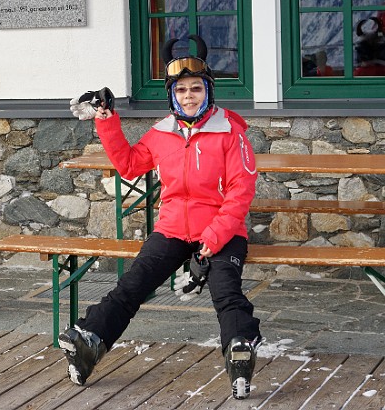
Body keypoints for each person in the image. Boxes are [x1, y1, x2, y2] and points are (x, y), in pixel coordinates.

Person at [64, 35, 262, 399]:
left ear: (208, 92)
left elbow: (240, 192)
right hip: (173, 229)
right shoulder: (162, 133)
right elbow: (127, 164)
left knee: (225, 292)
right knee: (132, 286)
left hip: (221, 231)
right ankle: (91, 340)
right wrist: (106, 120)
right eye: (182, 90)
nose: (189, 96)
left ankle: (239, 350)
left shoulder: (230, 132)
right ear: (173, 95)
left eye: (196, 89)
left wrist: (212, 240)